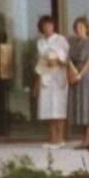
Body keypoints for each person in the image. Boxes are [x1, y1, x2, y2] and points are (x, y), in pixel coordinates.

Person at [33, 15, 68, 148]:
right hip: (45, 77)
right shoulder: (40, 43)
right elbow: (40, 63)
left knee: (58, 107)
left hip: (58, 78)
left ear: (53, 26)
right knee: (48, 108)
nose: (47, 28)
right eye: (45, 26)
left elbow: (67, 58)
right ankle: (53, 138)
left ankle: (60, 139)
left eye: (50, 25)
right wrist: (36, 83)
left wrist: (58, 61)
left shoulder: (61, 40)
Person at [67, 16, 89, 150]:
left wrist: (80, 75)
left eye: (81, 27)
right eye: (77, 27)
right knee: (80, 106)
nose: (79, 29)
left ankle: (88, 139)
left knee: (88, 105)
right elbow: (69, 59)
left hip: (86, 76)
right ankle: (85, 139)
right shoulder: (74, 43)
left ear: (87, 28)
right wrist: (71, 74)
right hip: (75, 74)